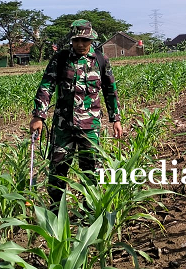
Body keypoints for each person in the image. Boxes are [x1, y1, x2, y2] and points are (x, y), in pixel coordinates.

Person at [29, 19, 123, 207]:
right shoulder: (61, 59)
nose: (81, 44)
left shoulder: (101, 60)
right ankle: (56, 213)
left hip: (90, 128)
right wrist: (38, 116)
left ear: (91, 40)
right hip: (64, 127)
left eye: (85, 40)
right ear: (71, 40)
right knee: (57, 172)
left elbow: (110, 90)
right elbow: (47, 86)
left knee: (92, 172)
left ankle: (89, 214)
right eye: (77, 40)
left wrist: (116, 119)